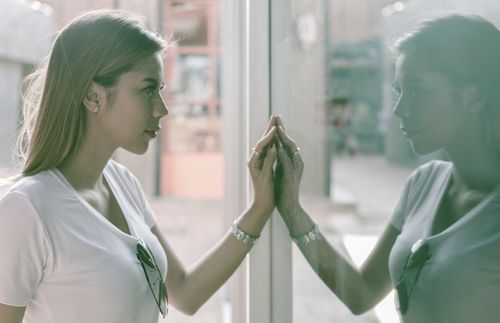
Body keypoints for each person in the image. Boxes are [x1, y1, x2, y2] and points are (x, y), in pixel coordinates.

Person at [0, 10, 278, 323]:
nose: (163, 108)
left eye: (160, 90)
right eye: (147, 89)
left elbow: (185, 293)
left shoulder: (123, 183)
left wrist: (261, 207)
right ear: (93, 96)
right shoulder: (26, 210)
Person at [273, 14, 500, 322]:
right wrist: (292, 210)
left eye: (418, 91)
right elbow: (361, 292)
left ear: (474, 96)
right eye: (399, 90)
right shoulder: (423, 183)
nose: (399, 108)